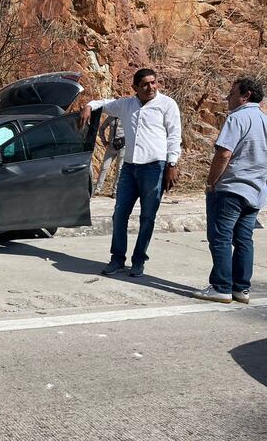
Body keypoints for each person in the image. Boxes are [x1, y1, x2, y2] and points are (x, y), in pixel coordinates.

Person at [79, 68, 182, 277]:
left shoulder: (167, 105)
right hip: (129, 168)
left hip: (155, 168)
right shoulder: (127, 105)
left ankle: (138, 260)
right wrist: (88, 106)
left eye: (153, 82)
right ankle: (117, 259)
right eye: (145, 84)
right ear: (135, 88)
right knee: (119, 215)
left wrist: (172, 164)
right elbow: (104, 103)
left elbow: (174, 136)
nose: (150, 87)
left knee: (147, 217)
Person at [193, 77, 267, 304]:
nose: (228, 97)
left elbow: (224, 153)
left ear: (246, 96)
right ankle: (240, 289)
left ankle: (221, 287)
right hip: (255, 190)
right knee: (244, 239)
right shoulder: (264, 120)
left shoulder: (237, 118)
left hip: (232, 188)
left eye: (233, 93)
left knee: (220, 237)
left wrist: (211, 182)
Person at [94, 116, 125, 196]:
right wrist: (103, 140)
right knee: (104, 167)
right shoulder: (110, 117)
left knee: (119, 168)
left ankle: (115, 191)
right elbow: (102, 128)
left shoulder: (125, 116)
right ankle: (97, 189)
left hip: (122, 146)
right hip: (111, 146)